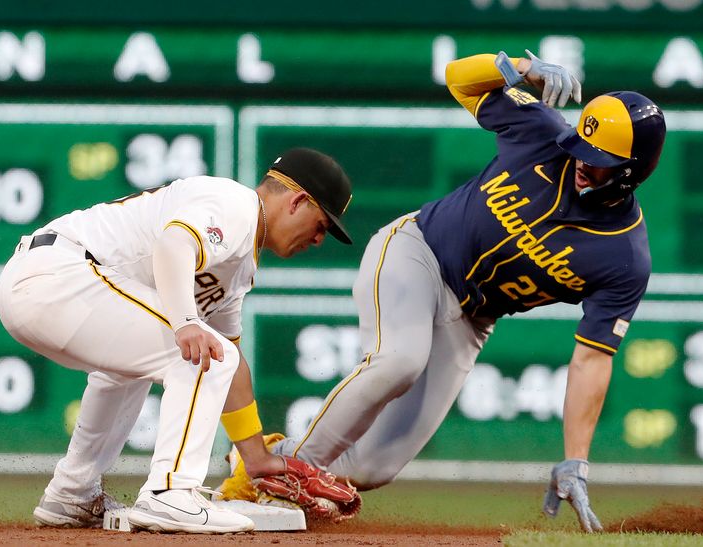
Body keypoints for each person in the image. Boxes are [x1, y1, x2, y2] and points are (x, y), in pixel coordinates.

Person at [258, 50, 665, 532]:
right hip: (417, 252)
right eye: (582, 147)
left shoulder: (624, 258)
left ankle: (270, 461)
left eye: (598, 161)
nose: (580, 162)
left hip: (471, 319)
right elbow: (458, 79)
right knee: (399, 359)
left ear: (630, 171)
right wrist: (521, 67)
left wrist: (576, 460)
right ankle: (278, 484)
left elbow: (592, 359)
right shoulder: (543, 135)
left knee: (371, 468)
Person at [0, 147, 354, 533]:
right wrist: (185, 322)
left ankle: (73, 493)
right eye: (321, 224)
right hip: (59, 274)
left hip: (47, 287)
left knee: (145, 366)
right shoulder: (236, 205)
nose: (319, 239)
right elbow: (174, 244)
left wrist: (256, 457)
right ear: (298, 200)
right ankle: (171, 493)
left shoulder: (239, 269)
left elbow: (230, 357)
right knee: (202, 353)